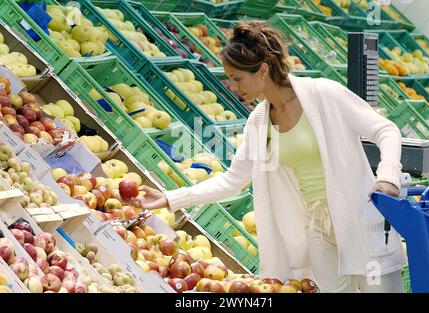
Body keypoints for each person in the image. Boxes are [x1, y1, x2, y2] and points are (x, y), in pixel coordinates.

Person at [132, 21, 406, 293]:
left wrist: (388, 177)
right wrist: (170, 198)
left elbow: (385, 129)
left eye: (237, 78)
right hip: (318, 230)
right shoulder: (258, 123)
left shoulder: (323, 93)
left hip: (360, 219)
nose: (232, 86)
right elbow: (232, 181)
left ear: (262, 70)